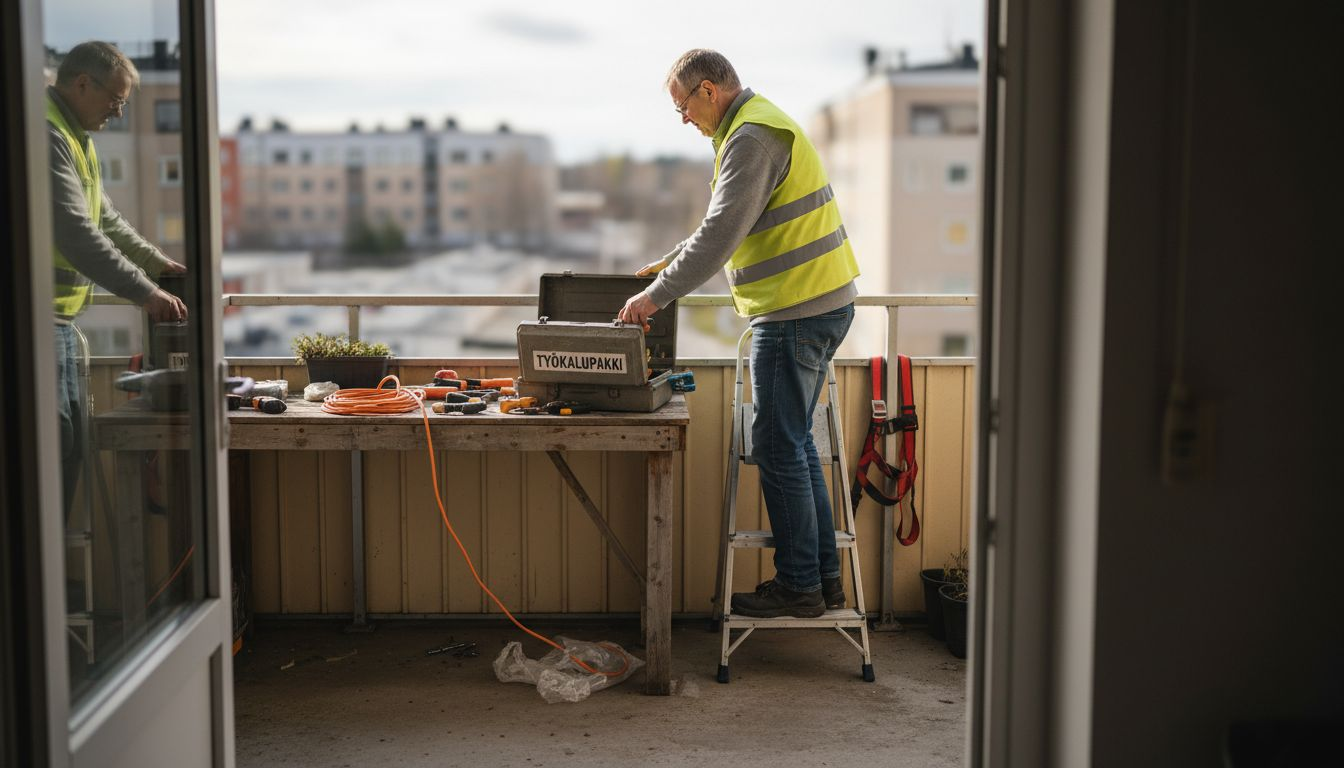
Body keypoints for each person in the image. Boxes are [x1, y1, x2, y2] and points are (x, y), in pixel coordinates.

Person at [618, 49, 860, 618]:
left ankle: (799, 584)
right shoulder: (757, 126)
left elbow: (722, 234)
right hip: (816, 304)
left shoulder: (750, 137)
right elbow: (727, 223)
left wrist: (655, 296)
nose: (682, 119)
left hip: (794, 311)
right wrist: (669, 260)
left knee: (778, 446)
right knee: (797, 444)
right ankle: (824, 582)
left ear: (708, 90)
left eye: (682, 106)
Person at [48, 41, 187, 514]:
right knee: (52, 444)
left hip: (60, 323)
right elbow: (76, 232)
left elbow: (106, 218)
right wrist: (145, 292)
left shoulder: (77, 138)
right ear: (83, 83)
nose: (119, 112)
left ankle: (54, 569)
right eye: (116, 99)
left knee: (69, 444)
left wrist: (156, 263)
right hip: (33, 324)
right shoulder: (46, 135)